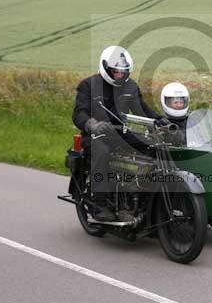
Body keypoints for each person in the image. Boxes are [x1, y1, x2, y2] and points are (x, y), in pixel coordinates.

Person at [72, 46, 170, 221]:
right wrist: (92, 124)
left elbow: (142, 110)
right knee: (101, 152)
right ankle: (99, 204)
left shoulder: (130, 86)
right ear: (106, 68)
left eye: (123, 72)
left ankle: (146, 194)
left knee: (153, 147)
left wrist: (159, 120)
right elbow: (79, 113)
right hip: (96, 135)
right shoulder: (89, 85)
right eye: (116, 71)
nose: (119, 75)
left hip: (121, 132)